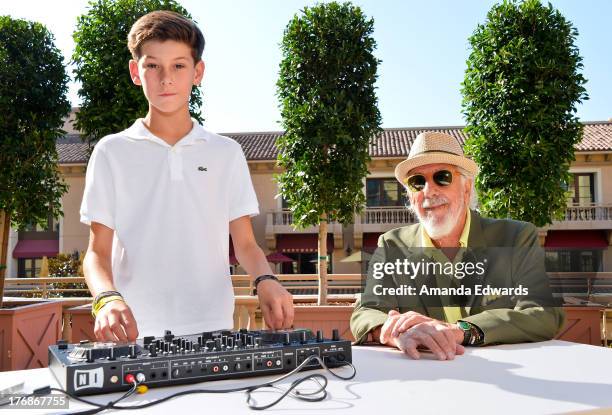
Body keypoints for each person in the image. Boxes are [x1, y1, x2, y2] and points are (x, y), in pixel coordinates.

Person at [80, 10, 293, 342]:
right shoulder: (111, 152)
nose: (166, 78)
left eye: (179, 66)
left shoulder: (226, 153)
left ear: (198, 72)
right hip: (133, 334)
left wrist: (266, 280)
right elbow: (97, 253)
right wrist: (105, 298)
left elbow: (246, 244)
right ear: (136, 72)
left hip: (214, 328)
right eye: (153, 66)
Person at [350, 131, 564, 360]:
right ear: (411, 197)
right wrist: (394, 332)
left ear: (466, 188)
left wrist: (460, 331)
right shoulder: (391, 244)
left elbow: (543, 313)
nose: (428, 190)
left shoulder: (515, 237)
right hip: (427, 377)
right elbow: (367, 311)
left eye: (442, 177)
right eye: (417, 182)